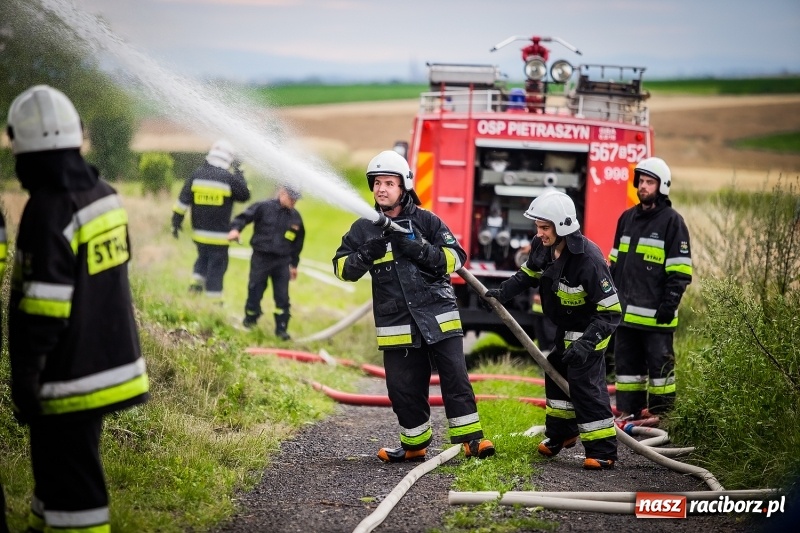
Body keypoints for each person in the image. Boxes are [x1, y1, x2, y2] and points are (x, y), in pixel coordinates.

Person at [5, 85, 150, 531]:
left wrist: (26, 377)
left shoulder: (47, 210)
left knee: (75, 494)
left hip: (68, 376)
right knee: (56, 481)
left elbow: (43, 308)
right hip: (112, 363)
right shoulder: (104, 194)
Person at [332, 150, 495, 463]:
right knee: (403, 388)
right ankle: (414, 444)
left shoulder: (426, 220)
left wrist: (420, 249)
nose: (381, 188)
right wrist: (366, 254)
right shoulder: (364, 229)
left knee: (455, 379)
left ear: (403, 186)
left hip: (438, 315)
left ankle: (472, 440)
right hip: (397, 322)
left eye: (389, 183)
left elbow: (456, 258)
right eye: (377, 183)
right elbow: (341, 268)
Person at [484, 191, 620, 470]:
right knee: (555, 371)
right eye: (538, 226)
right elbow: (528, 275)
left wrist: (586, 344)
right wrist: (502, 293)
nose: (539, 233)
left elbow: (611, 312)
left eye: (545, 227)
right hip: (565, 329)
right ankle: (562, 434)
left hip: (591, 332)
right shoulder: (542, 246)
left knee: (586, 386)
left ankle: (603, 451)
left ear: (563, 227)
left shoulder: (589, 261)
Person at [608, 157, 692, 419]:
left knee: (661, 371)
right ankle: (628, 413)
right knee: (627, 371)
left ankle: (663, 417)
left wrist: (669, 306)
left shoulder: (672, 222)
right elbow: (613, 266)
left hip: (657, 318)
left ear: (662, 186)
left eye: (649, 182)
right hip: (625, 318)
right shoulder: (626, 219)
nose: (643, 186)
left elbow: (680, 271)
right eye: (640, 181)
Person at [171, 138, 250, 300]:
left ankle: (195, 288)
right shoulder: (228, 178)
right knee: (216, 268)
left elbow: (182, 202)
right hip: (219, 237)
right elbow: (244, 195)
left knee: (202, 259)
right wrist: (240, 171)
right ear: (229, 158)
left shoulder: (197, 175)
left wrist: (176, 223)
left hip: (199, 235)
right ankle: (213, 304)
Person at [228, 185, 305, 339]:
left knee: (282, 297)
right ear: (282, 193)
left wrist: (294, 265)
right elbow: (244, 217)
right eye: (291, 198)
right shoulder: (264, 207)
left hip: (282, 262)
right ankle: (250, 320)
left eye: (296, 199)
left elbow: (297, 244)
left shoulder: (296, 218)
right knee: (255, 289)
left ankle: (281, 330)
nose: (293, 202)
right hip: (261, 258)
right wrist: (235, 229)